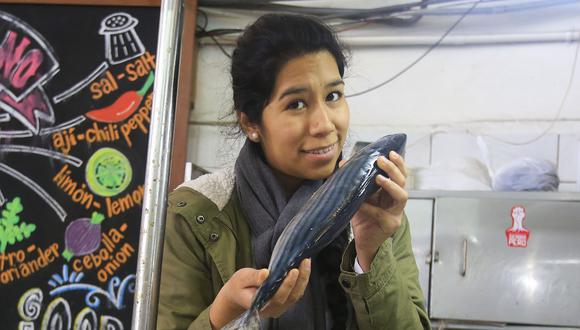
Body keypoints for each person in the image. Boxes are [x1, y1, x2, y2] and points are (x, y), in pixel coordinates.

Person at [157, 13, 430, 330]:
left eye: (333, 96)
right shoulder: (198, 213)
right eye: (296, 104)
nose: (325, 124)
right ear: (251, 123)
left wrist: (370, 253)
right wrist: (225, 311)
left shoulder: (376, 209)